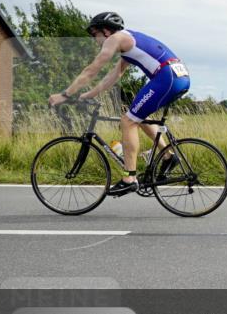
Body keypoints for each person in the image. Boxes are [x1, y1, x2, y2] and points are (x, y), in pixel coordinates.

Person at [48, 12, 191, 196]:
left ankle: (129, 178)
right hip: (178, 77)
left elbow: (92, 70)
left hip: (167, 77)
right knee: (138, 116)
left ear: (106, 31)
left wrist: (65, 95)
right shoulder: (127, 42)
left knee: (128, 121)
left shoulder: (115, 39)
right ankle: (168, 156)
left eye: (94, 34)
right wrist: (86, 95)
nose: (94, 39)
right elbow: (113, 76)